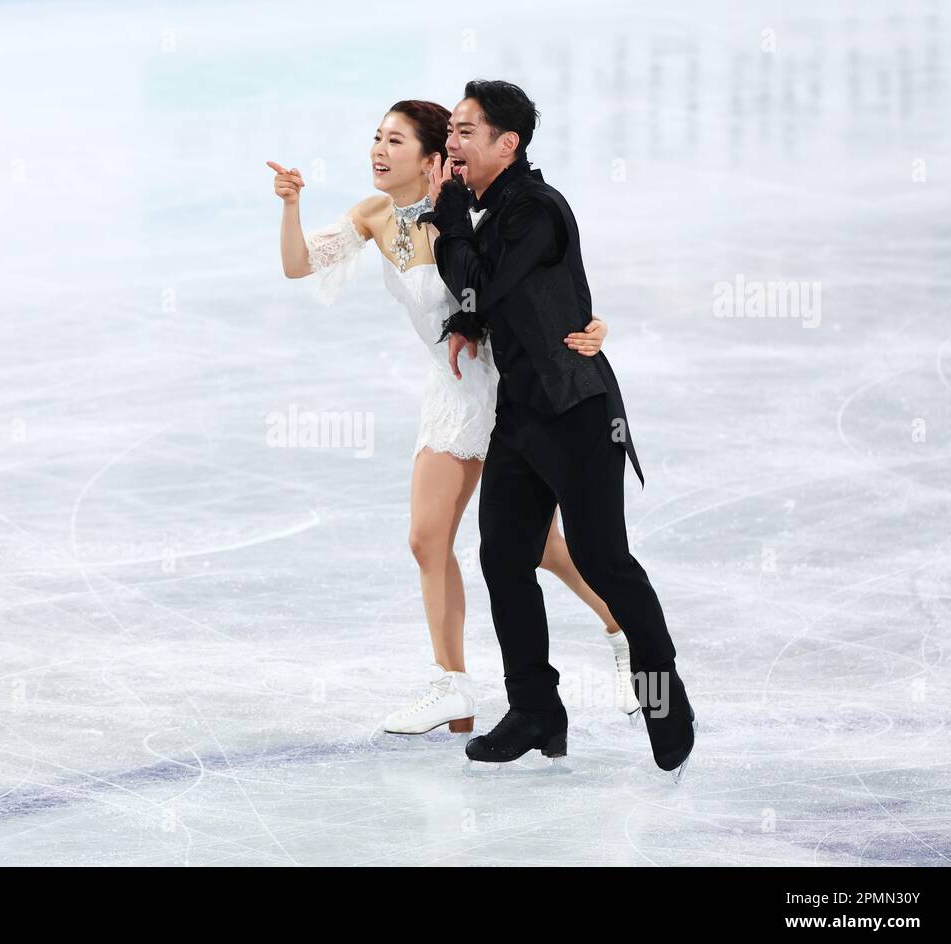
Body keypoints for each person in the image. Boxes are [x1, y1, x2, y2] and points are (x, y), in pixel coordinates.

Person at [266, 99, 640, 738]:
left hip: (508, 386)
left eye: (395, 141)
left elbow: (535, 281)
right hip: (451, 388)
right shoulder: (375, 214)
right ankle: (453, 685)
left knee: (545, 546)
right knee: (427, 538)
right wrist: (291, 203)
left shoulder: (472, 213)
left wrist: (591, 326)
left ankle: (627, 638)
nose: (379, 152)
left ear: (432, 157)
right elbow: (300, 263)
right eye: (377, 139)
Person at [419, 79, 696, 778]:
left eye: (465, 132)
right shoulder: (497, 210)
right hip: (522, 415)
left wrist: (447, 213)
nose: (451, 145)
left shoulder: (536, 210)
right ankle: (536, 710)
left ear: (507, 145)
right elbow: (488, 297)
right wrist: (467, 322)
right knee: (503, 557)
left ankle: (664, 697)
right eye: (450, 131)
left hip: (576, 414)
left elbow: (477, 277)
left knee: (605, 561)